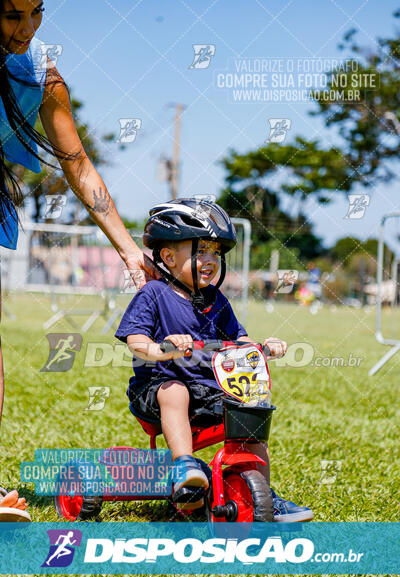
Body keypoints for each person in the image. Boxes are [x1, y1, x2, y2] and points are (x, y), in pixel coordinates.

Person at [0, 0, 155, 520]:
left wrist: (130, 250)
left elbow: (77, 162)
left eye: (36, 12)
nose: (26, 28)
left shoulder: (41, 69)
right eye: (9, 14)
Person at [115, 198, 314, 522]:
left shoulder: (216, 300)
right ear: (167, 256)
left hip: (207, 390)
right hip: (156, 390)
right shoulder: (153, 294)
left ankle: (262, 491)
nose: (210, 260)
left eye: (216, 253)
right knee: (175, 390)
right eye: (200, 251)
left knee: (250, 410)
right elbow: (136, 341)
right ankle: (184, 469)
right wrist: (162, 348)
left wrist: (262, 347)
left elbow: (239, 339)